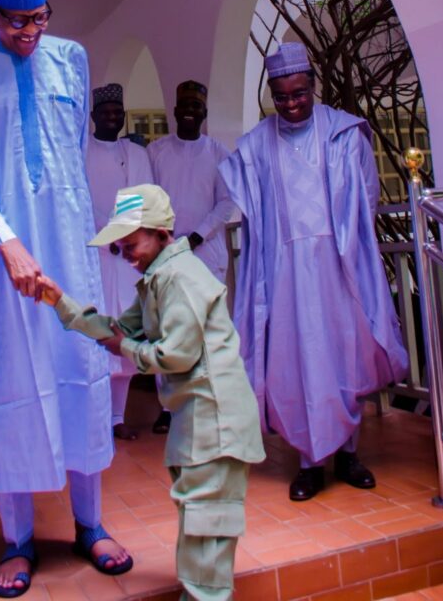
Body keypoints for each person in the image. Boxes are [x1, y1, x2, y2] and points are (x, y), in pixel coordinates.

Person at [0, 0, 132, 599]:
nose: (29, 33)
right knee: (11, 381)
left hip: (68, 248)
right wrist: (7, 239)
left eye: (39, 19)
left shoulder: (70, 59)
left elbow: (69, 153)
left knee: (79, 372)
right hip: (3, 264)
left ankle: (89, 524)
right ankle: (19, 540)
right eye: (16, 21)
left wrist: (58, 228)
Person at [36, 184, 265, 601]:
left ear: (162, 232)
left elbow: (175, 355)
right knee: (199, 523)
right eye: (120, 247)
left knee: (208, 526)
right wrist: (59, 302)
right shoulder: (158, 279)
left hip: (216, 421)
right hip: (196, 419)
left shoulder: (180, 277)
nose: (127, 254)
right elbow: (116, 332)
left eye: (132, 242)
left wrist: (127, 348)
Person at [220, 42, 408, 502]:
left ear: (313, 86)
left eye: (299, 94)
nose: (291, 104)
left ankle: (347, 453)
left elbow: (366, 199)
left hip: (338, 268)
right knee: (295, 365)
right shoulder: (256, 146)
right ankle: (308, 463)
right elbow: (246, 202)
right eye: (281, 97)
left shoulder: (346, 133)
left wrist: (347, 253)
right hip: (283, 275)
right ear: (271, 94)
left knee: (344, 356)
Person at [148, 80, 234, 434]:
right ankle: (170, 408)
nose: (188, 112)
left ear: (204, 114)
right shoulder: (156, 152)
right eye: (183, 105)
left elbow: (227, 201)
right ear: (174, 110)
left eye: (195, 107)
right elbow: (148, 197)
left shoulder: (218, 153)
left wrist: (198, 234)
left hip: (206, 253)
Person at [86, 82, 152, 440]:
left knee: (125, 339)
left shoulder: (136, 153)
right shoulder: (82, 150)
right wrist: (107, 232)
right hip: (94, 255)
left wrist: (124, 234)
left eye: (117, 112)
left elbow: (143, 194)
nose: (112, 118)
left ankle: (117, 418)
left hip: (128, 258)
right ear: (94, 116)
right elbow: (79, 198)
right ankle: (95, 421)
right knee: (96, 336)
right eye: (106, 112)